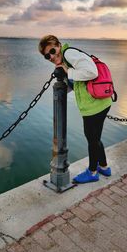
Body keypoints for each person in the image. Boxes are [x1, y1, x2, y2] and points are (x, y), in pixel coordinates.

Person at [38, 35, 112, 183]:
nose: (52, 56)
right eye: (47, 55)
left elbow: (92, 72)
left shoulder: (69, 54)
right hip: (99, 102)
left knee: (92, 139)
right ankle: (104, 167)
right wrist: (62, 88)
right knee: (95, 138)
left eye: (53, 50)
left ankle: (92, 173)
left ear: (59, 45)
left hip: (94, 105)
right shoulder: (66, 60)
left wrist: (67, 71)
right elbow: (77, 84)